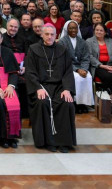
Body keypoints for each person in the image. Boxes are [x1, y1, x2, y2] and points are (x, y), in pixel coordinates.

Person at [25, 24, 76, 153]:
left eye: (52, 34)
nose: (49, 37)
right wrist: (37, 88)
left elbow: (68, 72)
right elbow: (30, 72)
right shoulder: (33, 49)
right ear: (41, 35)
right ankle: (48, 141)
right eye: (46, 34)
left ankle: (64, 142)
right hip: (41, 86)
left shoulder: (63, 50)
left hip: (60, 86)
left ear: (56, 35)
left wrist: (67, 89)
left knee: (66, 103)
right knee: (42, 103)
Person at [86, 23, 112, 118]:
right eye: (97, 30)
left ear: (105, 32)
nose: (98, 32)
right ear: (94, 31)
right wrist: (103, 66)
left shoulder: (111, 41)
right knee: (108, 76)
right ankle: (111, 103)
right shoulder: (89, 41)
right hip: (99, 66)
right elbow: (90, 57)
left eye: (101, 30)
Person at [57, 20, 94, 114]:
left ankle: (83, 103)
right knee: (76, 78)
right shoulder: (62, 42)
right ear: (67, 29)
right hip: (68, 68)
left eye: (75, 28)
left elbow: (86, 58)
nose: (73, 30)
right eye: (71, 28)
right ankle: (74, 103)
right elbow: (63, 60)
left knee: (88, 77)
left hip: (82, 67)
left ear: (78, 29)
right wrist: (77, 69)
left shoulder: (82, 42)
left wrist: (84, 69)